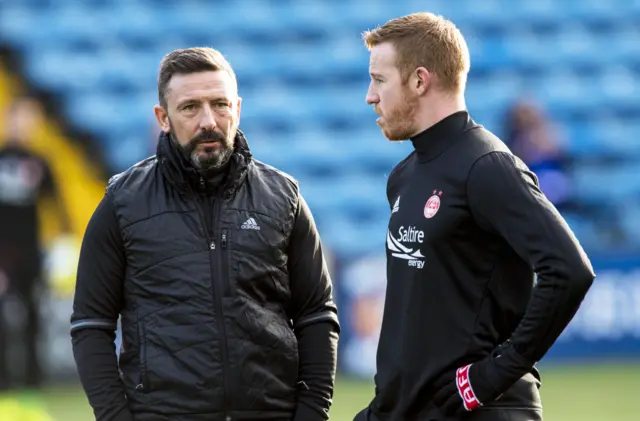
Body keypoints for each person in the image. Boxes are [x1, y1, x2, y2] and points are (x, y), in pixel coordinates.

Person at [70, 47, 340, 421]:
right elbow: (90, 324)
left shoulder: (284, 198)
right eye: (190, 107)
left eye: (220, 104)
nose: (208, 121)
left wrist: (312, 413)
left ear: (238, 109)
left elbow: (316, 316)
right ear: (163, 117)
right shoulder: (122, 204)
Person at [355, 13, 595, 421]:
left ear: (419, 80)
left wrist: (492, 375)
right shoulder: (404, 176)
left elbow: (569, 270)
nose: (370, 96)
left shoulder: (488, 166)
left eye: (379, 80)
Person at [0, 96, 71, 390]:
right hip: (2, 251)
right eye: (19, 118)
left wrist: (60, 244)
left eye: (30, 119)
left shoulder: (40, 161)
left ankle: (33, 378)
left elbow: (57, 206)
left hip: (30, 249)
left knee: (32, 313)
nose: (23, 125)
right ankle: (4, 377)